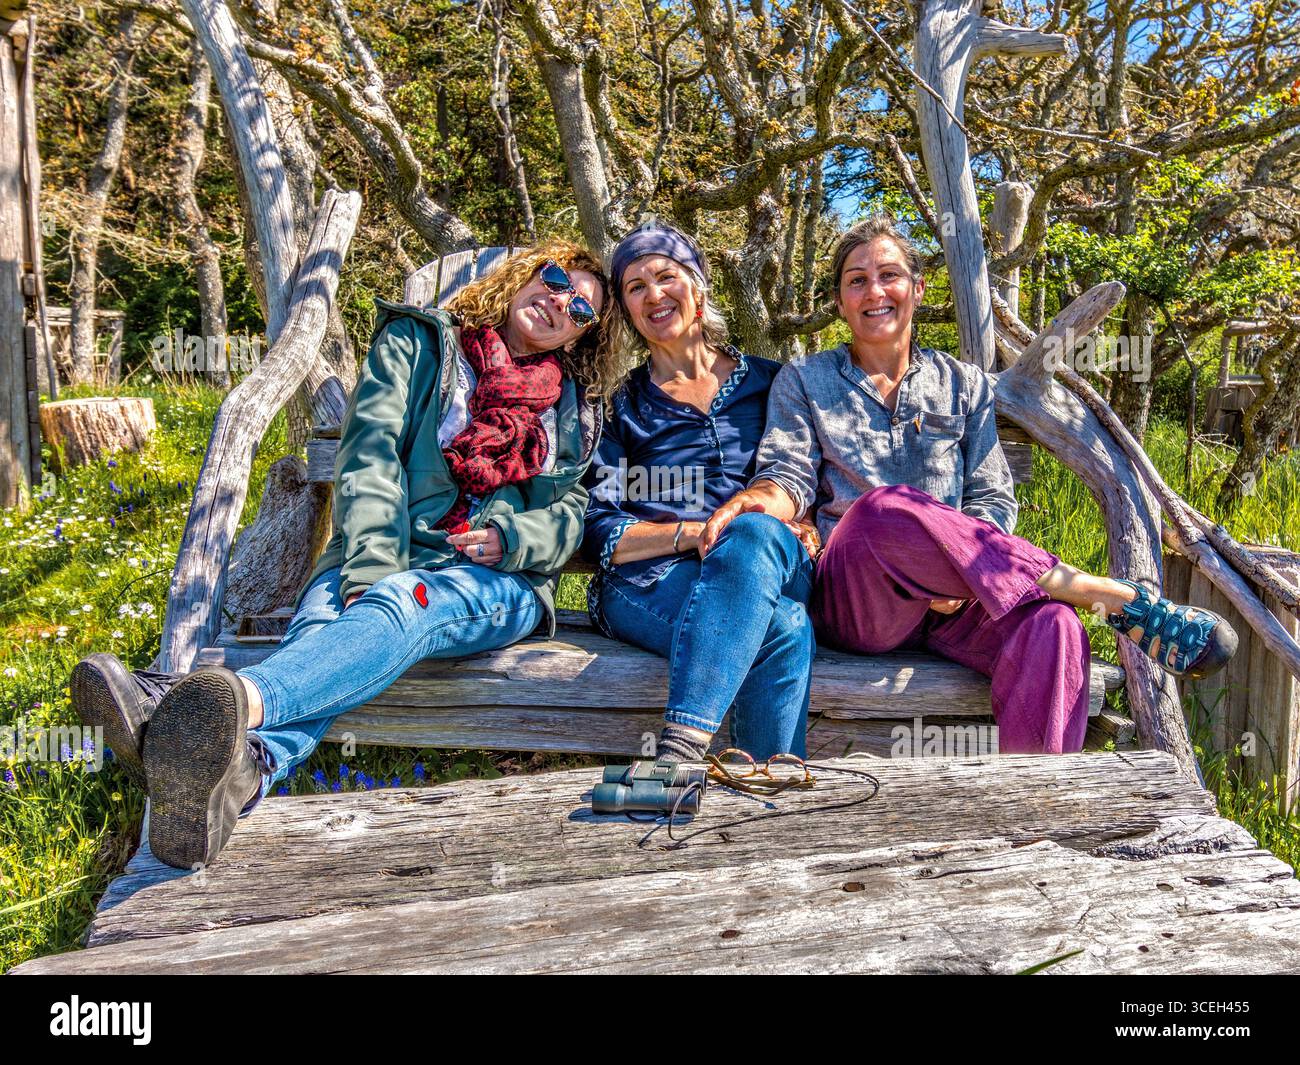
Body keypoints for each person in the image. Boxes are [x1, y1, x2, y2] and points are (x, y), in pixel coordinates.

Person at [71, 241, 609, 868]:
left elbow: (572, 510)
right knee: (328, 624)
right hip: (373, 551)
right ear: (523, 276)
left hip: (494, 579)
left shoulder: (572, 406)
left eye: (581, 309)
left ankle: (190, 701)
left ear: (579, 335)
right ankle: (231, 785)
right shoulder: (419, 344)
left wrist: (514, 539)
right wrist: (376, 561)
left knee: (405, 603)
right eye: (553, 280)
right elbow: (370, 453)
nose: (559, 303)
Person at [702, 214, 1237, 754]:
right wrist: (758, 500)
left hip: (962, 601)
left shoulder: (964, 384)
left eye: (889, 275)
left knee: (1053, 624)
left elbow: (990, 495)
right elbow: (787, 476)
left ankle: (1033, 812)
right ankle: (1104, 595)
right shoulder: (804, 379)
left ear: (917, 288)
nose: (874, 291)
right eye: (856, 280)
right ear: (840, 301)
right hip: (860, 598)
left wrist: (959, 581)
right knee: (880, 509)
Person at [581, 221, 818, 766]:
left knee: (754, 529)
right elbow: (597, 527)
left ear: (700, 287)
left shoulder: (774, 382)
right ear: (625, 309)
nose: (654, 294)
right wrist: (692, 535)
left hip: (775, 564)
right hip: (649, 581)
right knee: (784, 627)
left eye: (666, 276)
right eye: (635, 287)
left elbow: (811, 477)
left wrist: (801, 518)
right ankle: (766, 799)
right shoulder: (621, 406)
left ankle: (679, 755)